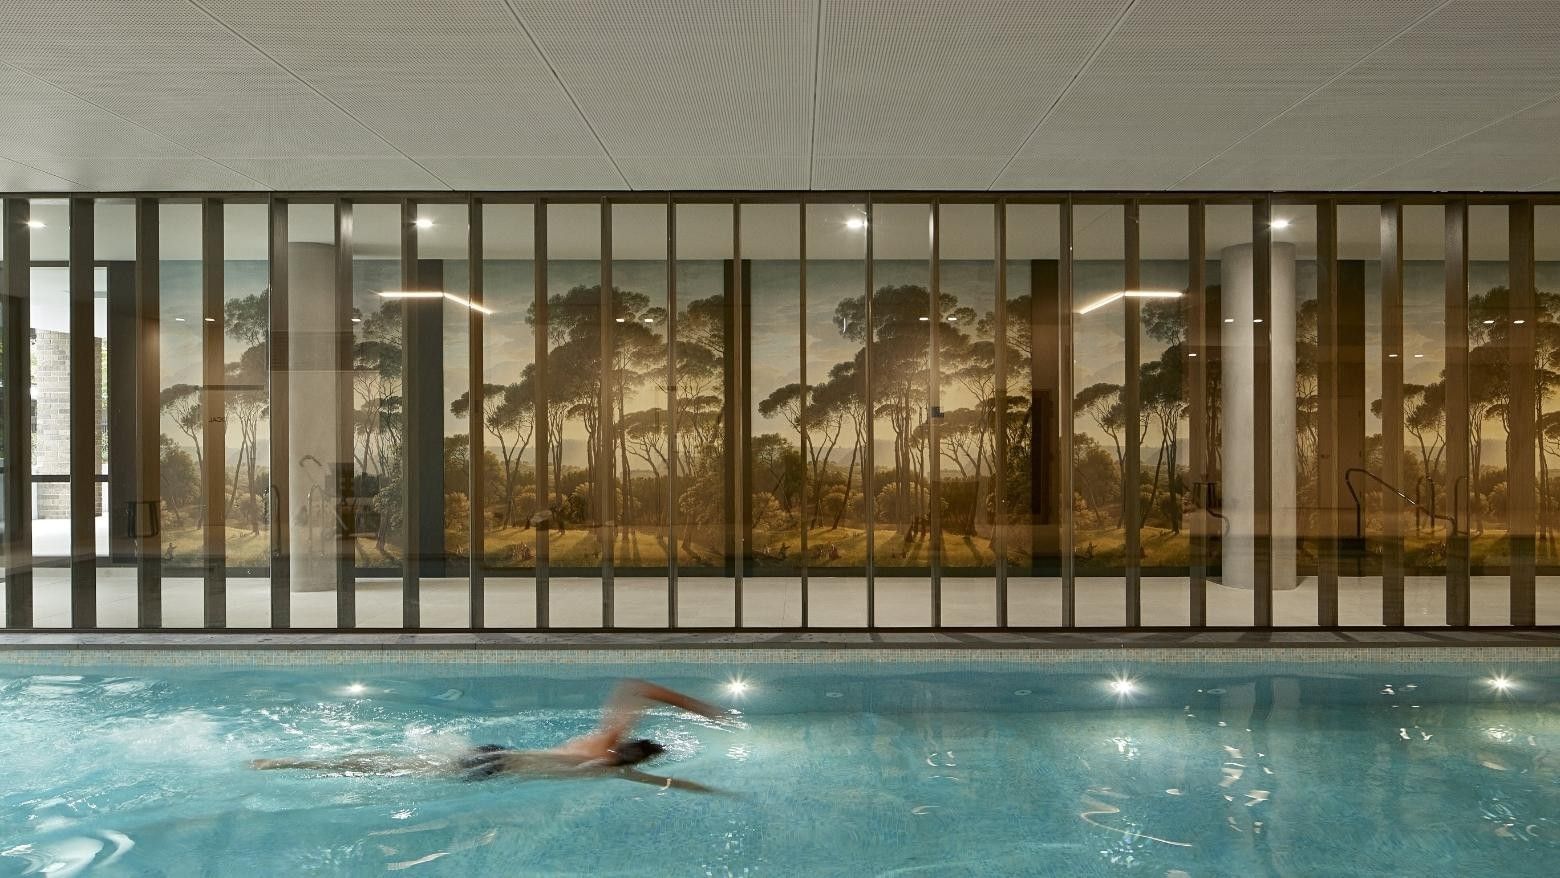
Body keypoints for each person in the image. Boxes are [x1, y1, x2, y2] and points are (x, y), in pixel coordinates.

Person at [251, 679, 729, 794]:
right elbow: (636, 692)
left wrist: (699, 707)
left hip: (496, 752)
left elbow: (635, 690)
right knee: (391, 768)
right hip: (495, 765)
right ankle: (294, 764)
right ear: (634, 759)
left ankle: (296, 761)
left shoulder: (598, 744)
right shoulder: (605, 760)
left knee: (391, 759)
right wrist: (705, 788)